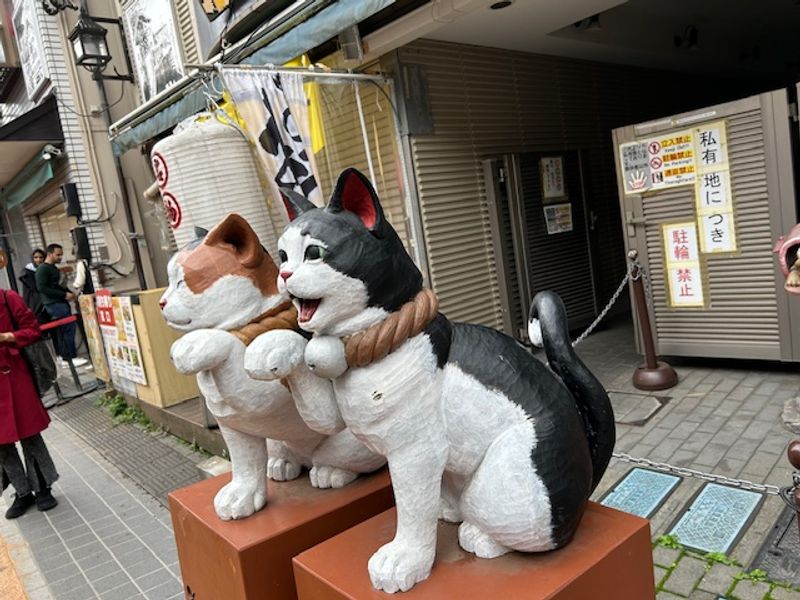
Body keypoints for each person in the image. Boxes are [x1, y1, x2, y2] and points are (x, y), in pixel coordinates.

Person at [0, 288, 59, 518]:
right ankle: (21, 491)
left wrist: (8, 337)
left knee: (29, 434)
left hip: (15, 375)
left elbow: (33, 330)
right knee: (1, 444)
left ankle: (43, 486)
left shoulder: (8, 298)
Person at [35, 244, 78, 361]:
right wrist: (64, 295)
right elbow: (42, 288)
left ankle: (69, 355)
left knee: (68, 329)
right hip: (54, 303)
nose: (60, 257)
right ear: (49, 254)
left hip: (60, 301)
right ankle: (69, 357)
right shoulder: (43, 269)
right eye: (58, 255)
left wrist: (69, 293)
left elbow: (58, 286)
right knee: (67, 329)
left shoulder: (53, 268)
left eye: (61, 255)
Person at [18, 249, 48, 323]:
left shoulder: (45, 269)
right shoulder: (28, 272)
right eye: (36, 257)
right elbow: (36, 288)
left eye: (41, 257)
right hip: (34, 303)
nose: (38, 260)